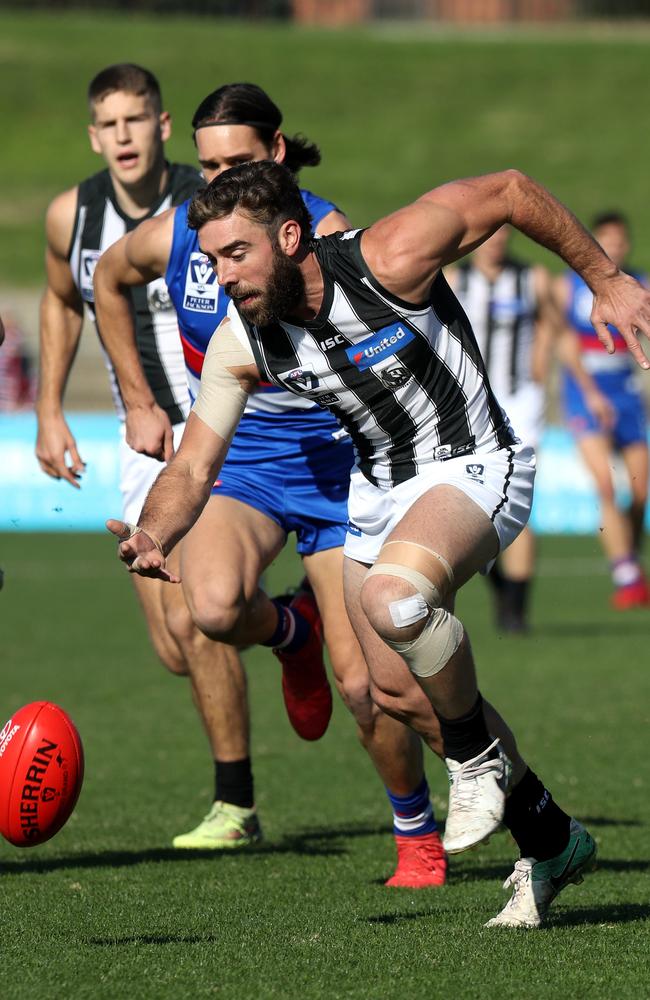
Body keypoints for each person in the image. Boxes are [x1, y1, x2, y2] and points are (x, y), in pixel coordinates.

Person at [107, 161, 650, 925]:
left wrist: (607, 279)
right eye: (212, 261)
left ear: (290, 237)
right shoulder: (244, 341)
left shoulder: (388, 256)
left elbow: (511, 191)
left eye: (237, 255)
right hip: (379, 493)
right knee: (388, 689)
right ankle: (551, 836)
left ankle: (472, 761)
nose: (223, 277)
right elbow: (195, 463)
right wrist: (156, 531)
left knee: (398, 601)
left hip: (474, 462)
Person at [94, 83, 451, 886]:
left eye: (239, 163)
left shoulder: (328, 237)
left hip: (336, 471)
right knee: (211, 608)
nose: (217, 181)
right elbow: (108, 279)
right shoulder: (187, 232)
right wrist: (139, 395)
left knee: (366, 689)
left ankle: (423, 826)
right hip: (245, 464)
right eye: (207, 164)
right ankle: (292, 634)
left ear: (278, 154)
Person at [447, 226, 557, 632]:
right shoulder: (456, 280)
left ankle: (516, 611)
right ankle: (503, 590)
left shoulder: (532, 278)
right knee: (476, 508)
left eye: (501, 236)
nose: (494, 243)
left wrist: (541, 361)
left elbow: (551, 323)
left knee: (518, 501)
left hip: (521, 399)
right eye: (487, 236)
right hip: (471, 402)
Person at [555, 211, 649, 610]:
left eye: (620, 240)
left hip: (627, 394)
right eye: (606, 240)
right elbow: (564, 343)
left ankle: (631, 563)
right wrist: (591, 393)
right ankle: (626, 574)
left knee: (640, 492)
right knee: (606, 485)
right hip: (585, 394)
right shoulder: (569, 287)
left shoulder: (640, 285)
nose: (614, 247)